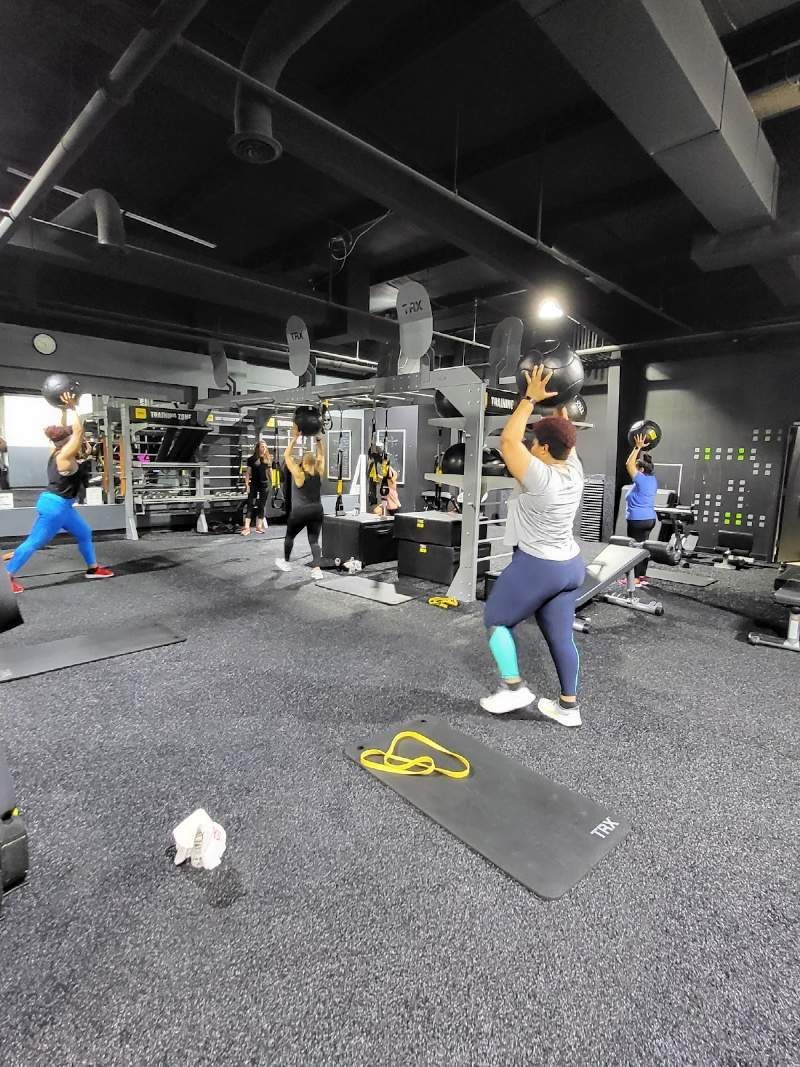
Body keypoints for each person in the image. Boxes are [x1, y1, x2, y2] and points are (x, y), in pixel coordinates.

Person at [480, 365, 585, 727]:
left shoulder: (541, 477)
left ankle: (514, 688)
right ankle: (568, 708)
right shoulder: (572, 465)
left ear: (541, 448)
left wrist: (528, 398)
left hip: (539, 566)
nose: (530, 445)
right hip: (570, 566)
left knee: (496, 620)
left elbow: (508, 443)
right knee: (560, 636)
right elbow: (563, 433)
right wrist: (558, 401)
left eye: (534, 442)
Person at [4, 392, 114, 593]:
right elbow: (78, 431)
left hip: (64, 506)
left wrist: (62, 410)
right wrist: (73, 407)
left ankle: (93, 568)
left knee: (84, 532)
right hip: (55, 507)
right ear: (67, 441)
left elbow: (68, 432)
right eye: (70, 437)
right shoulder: (64, 455)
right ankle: (6, 576)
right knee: (34, 542)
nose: (74, 437)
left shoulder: (55, 450)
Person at [276, 424, 325, 578]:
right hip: (317, 510)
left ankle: (286, 562)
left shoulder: (299, 473)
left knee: (289, 537)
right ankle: (317, 570)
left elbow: (286, 456)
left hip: (300, 512)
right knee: (314, 541)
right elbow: (321, 456)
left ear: (303, 461)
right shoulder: (319, 471)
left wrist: (295, 439)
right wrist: (318, 440)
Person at [624, 432, 658, 585]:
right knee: (643, 547)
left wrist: (637, 448)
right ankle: (642, 576)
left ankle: (635, 579)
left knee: (634, 549)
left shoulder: (642, 479)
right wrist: (644, 450)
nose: (635, 470)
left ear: (641, 470)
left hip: (637, 520)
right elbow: (635, 465)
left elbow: (628, 464)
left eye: (637, 468)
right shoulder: (652, 479)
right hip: (649, 520)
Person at [241, 438, 272, 536]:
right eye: (262, 446)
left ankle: (259, 526)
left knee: (261, 506)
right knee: (250, 505)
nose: (264, 448)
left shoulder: (268, 459)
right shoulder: (251, 459)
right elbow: (247, 473)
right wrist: (246, 484)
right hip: (254, 484)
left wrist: (274, 483)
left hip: (264, 484)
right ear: (258, 448)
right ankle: (247, 527)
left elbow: (270, 472)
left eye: (265, 447)